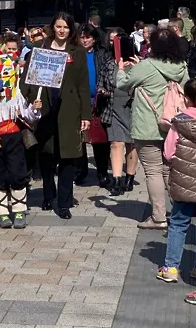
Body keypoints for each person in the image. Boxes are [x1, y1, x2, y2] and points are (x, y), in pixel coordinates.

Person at [21, 12, 91, 220]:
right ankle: (48, 195)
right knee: (47, 156)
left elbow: (83, 85)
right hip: (45, 107)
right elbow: (27, 79)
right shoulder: (41, 48)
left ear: (71, 30)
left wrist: (85, 114)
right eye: (59, 27)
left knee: (68, 157)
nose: (62, 31)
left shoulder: (77, 52)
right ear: (53, 27)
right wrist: (30, 99)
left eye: (66, 27)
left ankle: (64, 202)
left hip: (69, 108)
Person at [117, 28, 188, 230]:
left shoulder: (146, 65)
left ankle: (158, 216)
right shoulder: (181, 66)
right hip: (173, 124)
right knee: (168, 169)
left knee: (152, 171)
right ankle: (178, 210)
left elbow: (123, 84)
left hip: (148, 125)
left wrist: (121, 69)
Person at [0, 33, 40, 229]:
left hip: (13, 135)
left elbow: (26, 114)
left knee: (17, 172)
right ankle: (1, 212)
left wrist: (35, 108)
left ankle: (19, 210)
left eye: (5, 74)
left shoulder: (16, 94)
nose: (1, 81)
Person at [157, 79, 196, 293]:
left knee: (178, 223)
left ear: (187, 98)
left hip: (183, 183)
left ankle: (171, 268)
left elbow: (168, 153)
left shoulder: (178, 122)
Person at [97, 32, 138, 196]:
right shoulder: (109, 64)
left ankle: (130, 176)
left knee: (131, 144)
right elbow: (101, 84)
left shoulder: (137, 64)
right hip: (112, 107)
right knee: (116, 143)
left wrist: (137, 67)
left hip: (133, 108)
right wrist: (102, 91)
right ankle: (116, 179)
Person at [75, 24, 112, 188]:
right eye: (82, 37)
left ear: (95, 38)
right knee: (79, 139)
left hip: (98, 102)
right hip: (78, 102)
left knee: (100, 141)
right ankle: (81, 171)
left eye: (87, 37)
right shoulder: (74, 54)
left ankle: (102, 173)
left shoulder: (102, 54)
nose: (84, 40)